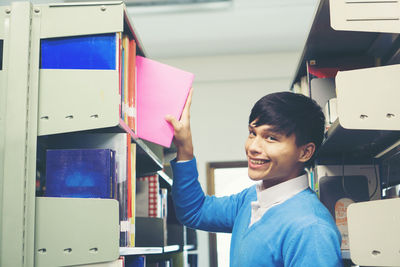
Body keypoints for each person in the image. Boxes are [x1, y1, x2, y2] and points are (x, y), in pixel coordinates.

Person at [165, 90, 343, 267]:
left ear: (305, 152)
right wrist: (184, 148)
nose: (253, 147)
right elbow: (195, 211)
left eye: (271, 138)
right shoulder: (251, 199)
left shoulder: (312, 228)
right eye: (252, 133)